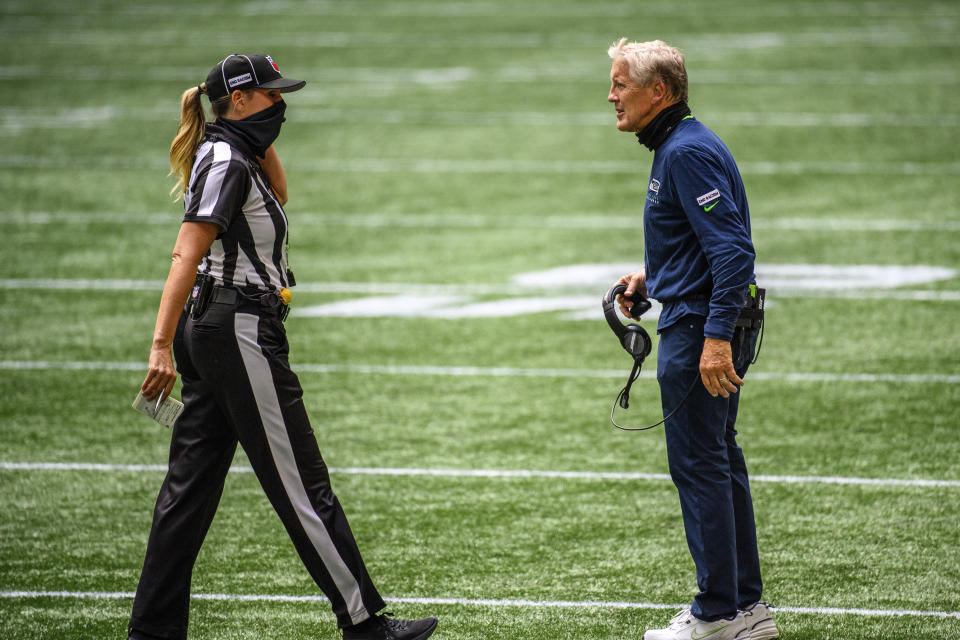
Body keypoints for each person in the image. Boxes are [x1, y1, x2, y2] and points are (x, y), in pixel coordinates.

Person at [129, 53, 439, 640]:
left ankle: (151, 633)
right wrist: (160, 345)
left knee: (187, 493)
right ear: (240, 100)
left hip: (221, 327)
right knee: (301, 481)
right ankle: (364, 624)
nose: (282, 105)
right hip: (236, 328)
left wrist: (250, 132)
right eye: (271, 96)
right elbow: (185, 252)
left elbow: (281, 190)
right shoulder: (224, 157)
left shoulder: (232, 152)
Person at [605, 39, 779, 640]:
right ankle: (744, 608)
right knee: (719, 462)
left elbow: (733, 252)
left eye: (621, 84)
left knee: (701, 465)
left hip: (701, 326)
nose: (611, 96)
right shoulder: (684, 143)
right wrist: (653, 275)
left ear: (660, 92)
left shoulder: (684, 152)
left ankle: (716, 614)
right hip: (701, 313)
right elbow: (704, 240)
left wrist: (713, 339)